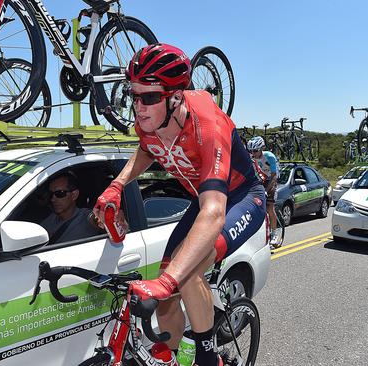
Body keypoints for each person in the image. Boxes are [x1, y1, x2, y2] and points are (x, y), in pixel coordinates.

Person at [93, 43, 266, 366]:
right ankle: (173, 360)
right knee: (165, 298)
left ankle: (207, 358)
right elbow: (148, 150)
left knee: (183, 275)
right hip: (201, 203)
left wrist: (167, 281)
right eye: (134, 95)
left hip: (241, 199)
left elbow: (214, 211)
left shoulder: (207, 125)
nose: (138, 107)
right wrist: (118, 185)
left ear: (176, 97)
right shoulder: (151, 121)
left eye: (149, 97)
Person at [40, 171, 103, 243]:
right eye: (51, 194)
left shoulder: (87, 217)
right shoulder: (51, 219)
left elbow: (102, 222)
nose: (53, 199)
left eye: (60, 193)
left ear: (74, 195)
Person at [247, 136, 280, 247]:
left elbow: (274, 176)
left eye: (255, 151)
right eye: (251, 151)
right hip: (262, 179)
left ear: (261, 148)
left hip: (272, 180)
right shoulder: (252, 157)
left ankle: (275, 234)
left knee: (270, 207)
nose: (253, 153)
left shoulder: (269, 156)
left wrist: (266, 190)